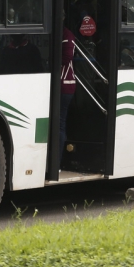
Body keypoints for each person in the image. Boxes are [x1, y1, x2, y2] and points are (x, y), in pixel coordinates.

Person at [59, 12, 78, 163]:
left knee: (60, 125)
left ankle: (58, 161)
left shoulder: (67, 35)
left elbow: (66, 58)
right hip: (58, 85)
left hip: (65, 86)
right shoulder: (59, 34)